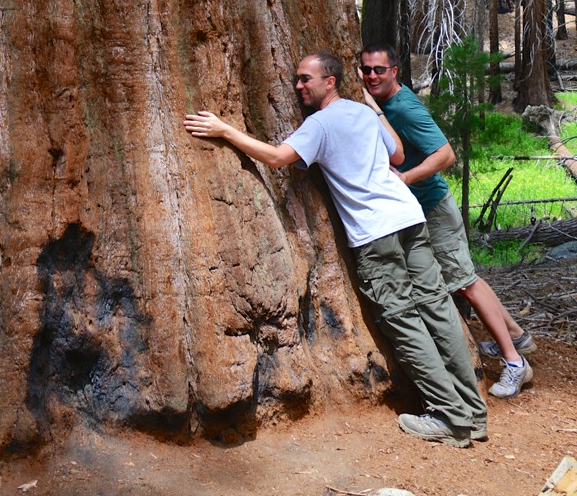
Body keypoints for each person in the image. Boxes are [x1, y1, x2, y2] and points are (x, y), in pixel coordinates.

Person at [184, 51, 487, 446]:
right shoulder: (362, 113)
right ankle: (473, 414)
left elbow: (277, 158)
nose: (298, 86)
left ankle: (451, 418)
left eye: (306, 79)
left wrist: (224, 130)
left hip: (376, 232)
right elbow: (397, 154)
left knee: (403, 317)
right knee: (437, 307)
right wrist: (374, 109)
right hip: (409, 217)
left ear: (330, 82)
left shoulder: (320, 125)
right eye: (297, 79)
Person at [359, 45, 534, 399]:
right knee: (465, 277)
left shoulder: (404, 109)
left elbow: (446, 154)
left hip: (434, 206)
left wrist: (406, 179)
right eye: (366, 70)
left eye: (380, 69)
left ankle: (515, 363)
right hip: (421, 209)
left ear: (395, 71)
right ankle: (516, 334)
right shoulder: (385, 105)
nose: (372, 76)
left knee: (464, 282)